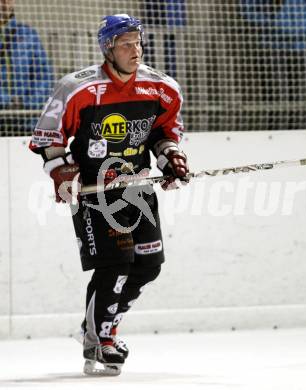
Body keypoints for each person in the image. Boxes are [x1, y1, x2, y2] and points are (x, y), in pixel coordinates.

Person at [29, 14, 189, 376]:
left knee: (149, 265)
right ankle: (99, 339)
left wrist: (172, 158)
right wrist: (62, 171)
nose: (135, 50)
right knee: (114, 264)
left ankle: (100, 327)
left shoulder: (161, 88)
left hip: (136, 187)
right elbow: (47, 139)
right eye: (125, 43)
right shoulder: (78, 88)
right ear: (108, 48)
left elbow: (165, 133)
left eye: (138, 42)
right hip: (95, 191)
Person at [0, 0, 54, 134]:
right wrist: (6, 102)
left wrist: (27, 104)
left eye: (7, 0)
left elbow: (44, 77)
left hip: (26, 121)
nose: (4, 3)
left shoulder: (28, 35)